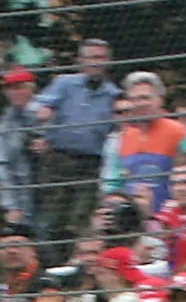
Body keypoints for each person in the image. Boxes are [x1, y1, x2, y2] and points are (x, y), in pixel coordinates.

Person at [27, 39, 120, 241]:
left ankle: (78, 254)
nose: (96, 62)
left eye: (100, 57)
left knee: (80, 217)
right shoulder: (64, 83)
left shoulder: (113, 94)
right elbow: (33, 106)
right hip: (58, 161)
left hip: (90, 165)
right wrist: (42, 112)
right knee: (53, 218)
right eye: (91, 57)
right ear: (81, 61)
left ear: (109, 61)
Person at [110, 71, 186, 213]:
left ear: (160, 99)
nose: (140, 104)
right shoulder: (123, 136)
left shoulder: (178, 131)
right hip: (132, 218)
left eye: (145, 98)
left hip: (171, 216)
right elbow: (113, 182)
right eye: (134, 99)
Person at [0, 67, 39, 231]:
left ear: (31, 88)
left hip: (53, 188)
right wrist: (10, 206)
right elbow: (1, 165)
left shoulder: (47, 113)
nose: (15, 93)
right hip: (23, 195)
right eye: (9, 88)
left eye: (19, 87)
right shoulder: (4, 123)